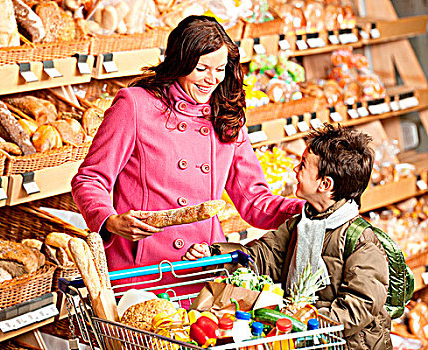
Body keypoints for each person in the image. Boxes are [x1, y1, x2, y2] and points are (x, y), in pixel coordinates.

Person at [71, 15, 304, 291]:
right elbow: (89, 179)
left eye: (220, 69)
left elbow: (255, 202)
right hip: (142, 271)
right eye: (202, 68)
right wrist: (110, 220)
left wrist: (311, 210)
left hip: (203, 268)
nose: (212, 79)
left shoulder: (226, 118)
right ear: (180, 62)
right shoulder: (135, 105)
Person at [184, 124, 391, 350]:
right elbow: (263, 256)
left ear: (325, 184)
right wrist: (216, 255)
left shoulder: (360, 241)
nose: (295, 169)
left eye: (303, 165)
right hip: (301, 337)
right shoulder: (301, 223)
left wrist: (305, 321)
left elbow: (360, 306)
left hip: (347, 344)